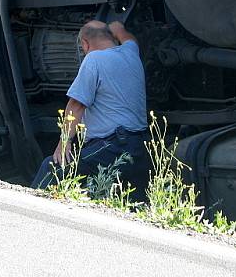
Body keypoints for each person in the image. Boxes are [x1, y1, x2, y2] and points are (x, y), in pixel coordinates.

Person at [32, 20, 149, 197]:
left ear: (85, 44)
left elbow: (76, 105)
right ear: (113, 38)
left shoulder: (94, 59)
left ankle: (28, 214)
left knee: (53, 168)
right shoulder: (131, 53)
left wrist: (65, 143)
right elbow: (130, 40)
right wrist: (120, 29)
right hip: (140, 148)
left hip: (113, 147)